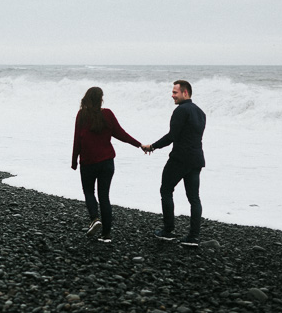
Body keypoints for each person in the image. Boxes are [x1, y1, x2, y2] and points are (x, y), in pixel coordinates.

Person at [71, 86, 147, 243]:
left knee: (89, 192)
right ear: (101, 99)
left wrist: (74, 161)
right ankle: (106, 235)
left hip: (88, 162)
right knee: (104, 196)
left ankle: (94, 219)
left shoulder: (82, 115)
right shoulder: (108, 114)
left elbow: (77, 140)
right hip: (107, 162)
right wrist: (139, 144)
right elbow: (121, 134)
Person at [142, 80, 206, 247]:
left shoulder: (181, 110)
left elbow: (172, 136)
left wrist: (153, 146)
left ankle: (168, 231)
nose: (172, 95)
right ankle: (193, 237)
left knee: (166, 190)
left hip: (179, 159)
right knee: (194, 198)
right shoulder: (200, 112)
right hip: (197, 159)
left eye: (175, 92)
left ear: (185, 93)